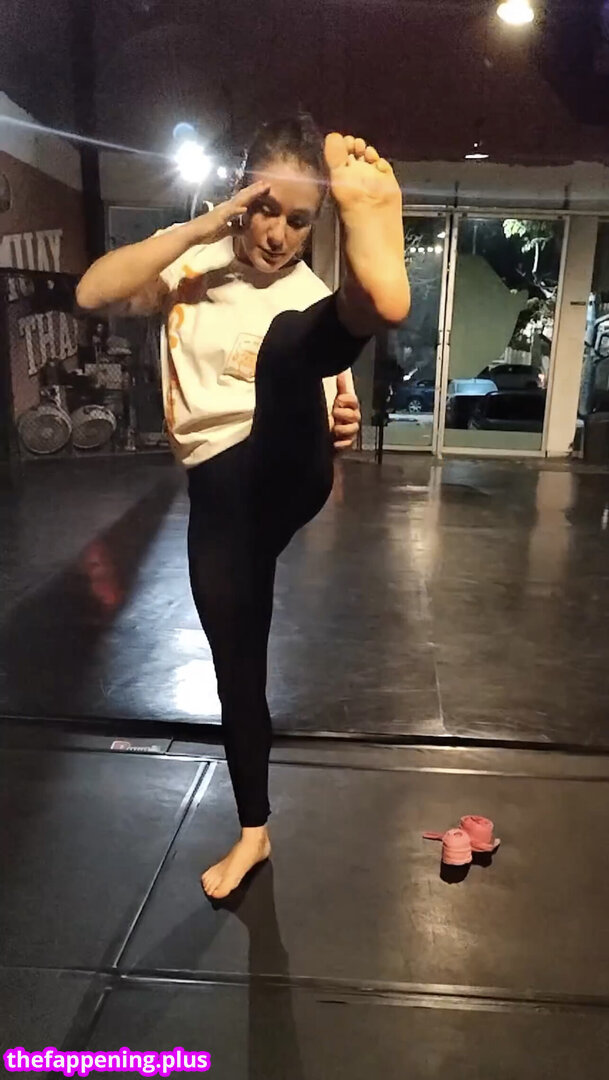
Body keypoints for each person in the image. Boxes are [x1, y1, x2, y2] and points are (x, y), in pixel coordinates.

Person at [76, 116, 410, 899]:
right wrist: (202, 228)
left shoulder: (307, 297)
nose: (277, 235)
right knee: (237, 669)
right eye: (264, 209)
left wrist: (341, 421)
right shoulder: (188, 266)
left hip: (287, 471)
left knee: (289, 345)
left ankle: (371, 302)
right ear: (238, 197)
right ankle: (252, 833)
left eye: (300, 220)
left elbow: (332, 422)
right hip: (220, 502)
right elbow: (92, 291)